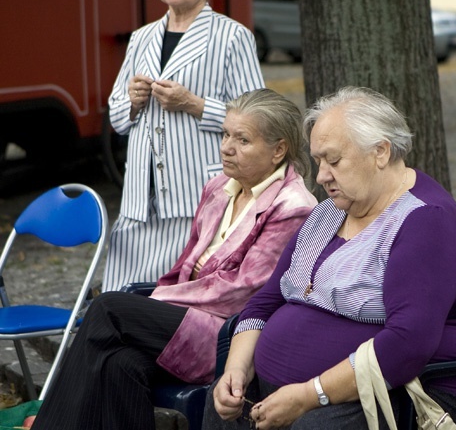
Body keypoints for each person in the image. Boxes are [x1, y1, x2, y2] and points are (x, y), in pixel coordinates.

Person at [204, 86, 456, 430]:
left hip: (417, 391)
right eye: (318, 161)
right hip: (311, 391)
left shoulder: (425, 221)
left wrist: (306, 395)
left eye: (333, 160)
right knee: (222, 406)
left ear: (380, 152)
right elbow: (266, 301)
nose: (321, 176)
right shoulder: (329, 213)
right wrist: (236, 371)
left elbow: (407, 344)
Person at [30, 89, 317, 430]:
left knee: (107, 308)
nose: (226, 147)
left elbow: (243, 291)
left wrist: (157, 300)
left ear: (278, 150)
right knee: (122, 362)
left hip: (228, 333)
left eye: (242, 140)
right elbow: (185, 266)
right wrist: (160, 297)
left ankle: (49, 424)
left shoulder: (293, 206)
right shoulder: (218, 187)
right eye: (225, 134)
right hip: (184, 320)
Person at [103, 0, 265, 291]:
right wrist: (130, 101)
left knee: (174, 300)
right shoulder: (142, 37)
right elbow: (116, 119)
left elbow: (257, 120)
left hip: (197, 197)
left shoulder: (232, 36)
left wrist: (194, 105)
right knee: (121, 295)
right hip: (138, 203)